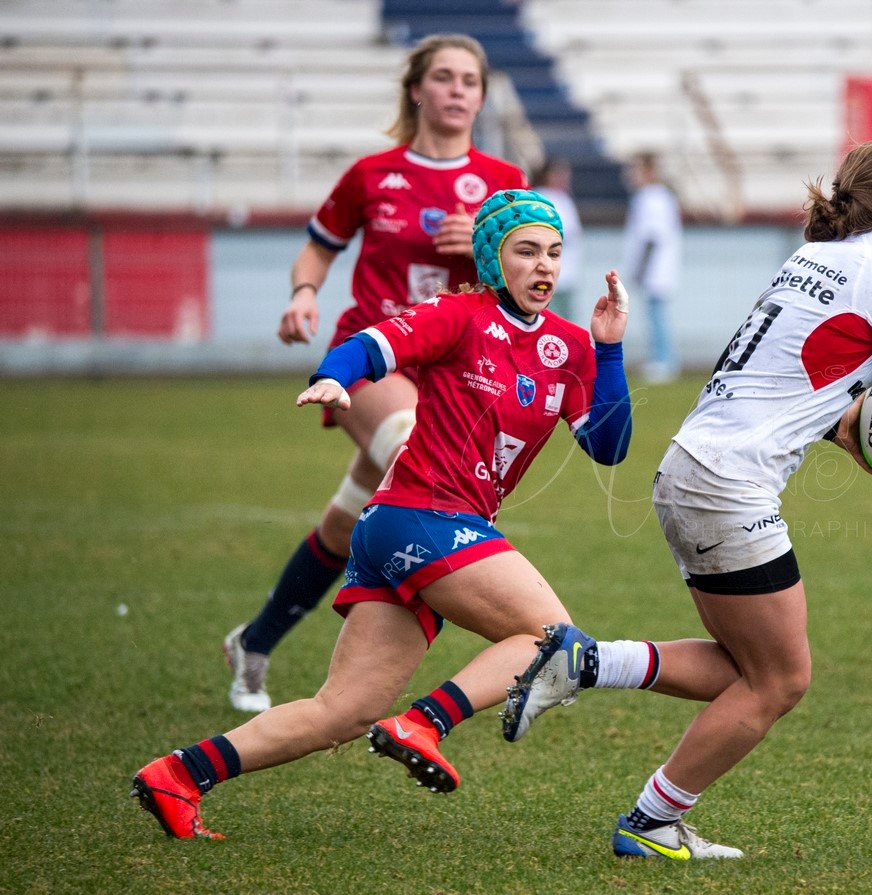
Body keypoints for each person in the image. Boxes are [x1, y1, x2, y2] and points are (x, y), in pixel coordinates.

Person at [368, 139, 872, 858]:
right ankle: (651, 820)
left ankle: (586, 663)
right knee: (781, 681)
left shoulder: (810, 258)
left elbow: (784, 381)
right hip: (728, 486)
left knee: (744, 667)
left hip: (690, 467)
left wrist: (842, 424)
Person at [132, 189, 633, 839]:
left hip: (410, 527)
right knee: (554, 638)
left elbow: (608, 446)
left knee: (340, 712)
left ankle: (177, 773)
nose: (544, 266)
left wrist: (609, 350)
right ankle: (425, 723)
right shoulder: (459, 314)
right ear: (491, 259)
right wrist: (333, 376)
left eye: (554, 253)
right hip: (424, 514)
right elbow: (371, 346)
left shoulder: (570, 345)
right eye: (526, 251)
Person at [222, 33, 529, 713]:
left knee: (347, 523)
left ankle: (256, 640)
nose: (457, 90)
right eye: (443, 77)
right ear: (416, 89)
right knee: (411, 451)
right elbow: (318, 247)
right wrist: (304, 293)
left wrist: (484, 250)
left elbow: (526, 284)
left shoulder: (504, 180)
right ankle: (423, 641)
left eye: (469, 80)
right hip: (373, 354)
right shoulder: (372, 174)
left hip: (454, 370)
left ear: (482, 96)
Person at [621, 151, 683, 383]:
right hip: (656, 268)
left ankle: (663, 360)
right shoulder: (657, 196)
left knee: (656, 315)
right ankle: (662, 358)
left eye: (634, 170)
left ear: (648, 171)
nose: (630, 175)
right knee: (655, 313)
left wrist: (639, 270)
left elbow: (651, 237)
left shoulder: (651, 197)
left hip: (655, 268)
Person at [531, 158, 585, 321]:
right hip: (546, 272)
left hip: (568, 272)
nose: (564, 178)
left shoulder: (564, 199)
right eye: (559, 173)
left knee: (567, 322)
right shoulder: (540, 197)